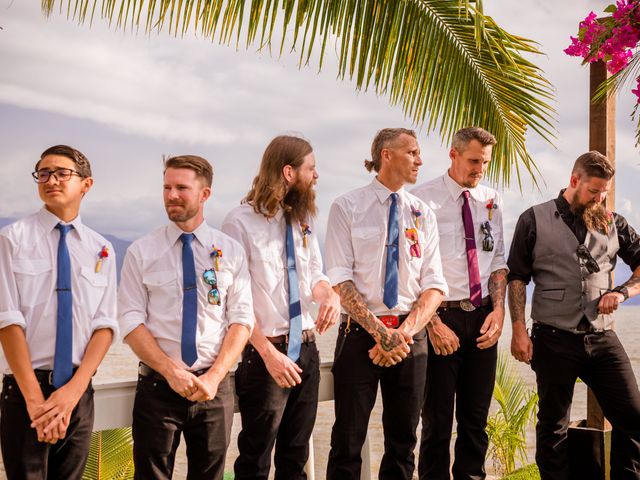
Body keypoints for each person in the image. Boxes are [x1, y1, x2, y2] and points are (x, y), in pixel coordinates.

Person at [118, 155, 254, 480]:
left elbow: (242, 319)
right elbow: (130, 320)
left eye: (181, 187)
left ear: (205, 194)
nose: (171, 195)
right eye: (166, 187)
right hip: (158, 387)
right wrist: (170, 372)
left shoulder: (230, 251)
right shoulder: (142, 251)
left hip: (214, 388)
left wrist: (215, 376)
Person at [508, 151, 640, 480]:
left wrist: (622, 292)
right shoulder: (533, 219)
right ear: (573, 180)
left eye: (604, 193)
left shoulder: (615, 223)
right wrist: (518, 331)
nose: (599, 198)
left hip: (602, 338)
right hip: (552, 338)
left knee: (634, 418)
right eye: (593, 191)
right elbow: (516, 278)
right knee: (553, 427)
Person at [325, 128, 448, 480]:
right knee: (347, 439)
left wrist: (402, 334)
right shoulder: (346, 207)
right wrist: (380, 333)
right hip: (360, 336)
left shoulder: (423, 213)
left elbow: (434, 286)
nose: (420, 160)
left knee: (403, 442)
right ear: (386, 155)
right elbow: (340, 278)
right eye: (412, 152)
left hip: (411, 337)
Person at [222, 134, 341, 480]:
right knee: (255, 459)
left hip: (306, 352)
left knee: (296, 456)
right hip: (265, 357)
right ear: (288, 172)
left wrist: (329, 296)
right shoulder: (238, 222)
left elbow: (315, 275)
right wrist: (268, 355)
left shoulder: (304, 219)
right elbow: (234, 303)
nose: (316, 176)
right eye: (311, 168)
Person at [0, 145, 118, 479]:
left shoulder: (102, 249)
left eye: (61, 173)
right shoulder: (11, 240)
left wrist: (72, 393)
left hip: (78, 393)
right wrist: (37, 403)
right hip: (26, 393)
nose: (51, 180)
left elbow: (105, 326)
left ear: (86, 184)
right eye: (43, 173)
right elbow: (7, 321)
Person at [412, 126, 507, 479]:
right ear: (453, 155)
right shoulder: (422, 201)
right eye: (472, 161)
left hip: (482, 317)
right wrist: (432, 323)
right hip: (441, 318)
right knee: (436, 423)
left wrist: (498, 312)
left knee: (475, 423)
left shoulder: (491, 200)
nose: (478, 169)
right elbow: (412, 269)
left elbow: (497, 261)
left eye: (484, 163)